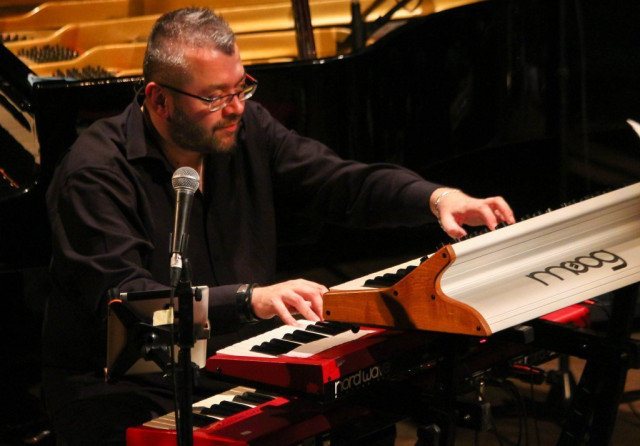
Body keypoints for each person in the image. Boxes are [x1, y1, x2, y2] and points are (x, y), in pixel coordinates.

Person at [43, 7, 515, 445]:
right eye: (215, 97)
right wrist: (249, 299)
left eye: (241, 88)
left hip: (234, 362)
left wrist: (436, 198)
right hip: (130, 388)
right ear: (159, 99)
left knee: (370, 413)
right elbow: (127, 305)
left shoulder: (244, 128)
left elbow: (337, 181)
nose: (236, 107)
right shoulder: (95, 174)